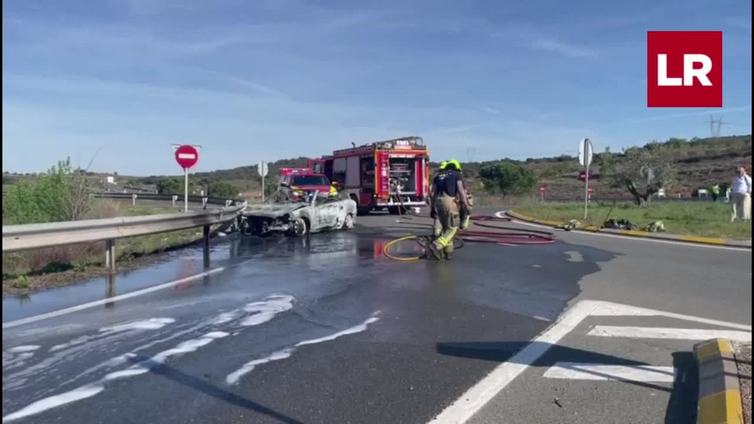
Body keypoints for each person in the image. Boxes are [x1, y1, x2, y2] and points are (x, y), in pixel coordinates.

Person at [428, 159, 471, 260]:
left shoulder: (438, 176)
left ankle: (448, 253)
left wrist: (432, 208)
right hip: (449, 201)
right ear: (456, 167)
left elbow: (433, 193)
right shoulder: (457, 174)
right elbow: (460, 190)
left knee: (445, 228)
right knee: (453, 228)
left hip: (438, 201)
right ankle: (437, 244)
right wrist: (465, 204)